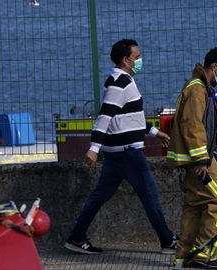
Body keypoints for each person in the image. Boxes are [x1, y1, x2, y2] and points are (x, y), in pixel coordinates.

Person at [64, 39, 177, 255]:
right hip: (128, 153)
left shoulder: (120, 81)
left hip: (117, 153)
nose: (140, 60)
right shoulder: (120, 84)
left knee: (99, 196)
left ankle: (77, 237)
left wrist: (153, 132)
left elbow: (127, 118)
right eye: (137, 57)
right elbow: (105, 117)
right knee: (150, 195)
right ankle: (168, 240)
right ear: (126, 60)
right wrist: (93, 148)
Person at [167, 47, 217, 269]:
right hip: (199, 160)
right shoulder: (198, 90)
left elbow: (198, 124)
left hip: (193, 159)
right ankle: (203, 254)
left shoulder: (199, 88)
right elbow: (192, 125)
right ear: (214, 67)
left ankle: (183, 257)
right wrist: (202, 160)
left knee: (195, 205)